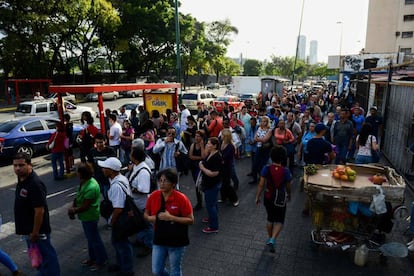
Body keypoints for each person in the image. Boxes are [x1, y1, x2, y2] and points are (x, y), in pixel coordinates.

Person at [13, 152, 61, 275]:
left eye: (21, 165)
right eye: (15, 166)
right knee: (38, 259)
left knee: (47, 259)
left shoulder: (35, 184)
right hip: (28, 231)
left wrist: (35, 232)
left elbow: (39, 211)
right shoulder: (22, 179)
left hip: (37, 232)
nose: (17, 168)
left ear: (30, 165)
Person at [144, 168, 194, 276]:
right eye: (160, 181)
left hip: (176, 241)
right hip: (159, 239)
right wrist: (150, 218)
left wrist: (171, 218)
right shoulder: (154, 196)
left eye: (165, 181)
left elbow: (190, 220)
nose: (162, 184)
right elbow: (146, 213)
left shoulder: (181, 198)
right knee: (156, 271)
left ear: (173, 184)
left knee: (175, 271)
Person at [67, 163, 108, 271]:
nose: (76, 174)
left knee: (94, 239)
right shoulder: (84, 182)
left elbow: (85, 206)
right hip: (85, 217)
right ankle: (93, 258)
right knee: (90, 239)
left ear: (81, 174)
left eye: (77, 172)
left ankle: (101, 260)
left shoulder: (91, 186)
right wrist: (73, 206)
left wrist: (73, 210)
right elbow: (78, 197)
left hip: (90, 216)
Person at [98, 157, 134, 276]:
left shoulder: (116, 186)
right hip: (121, 218)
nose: (103, 170)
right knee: (117, 242)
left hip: (120, 220)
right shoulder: (120, 179)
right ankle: (120, 264)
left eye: (105, 168)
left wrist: (111, 222)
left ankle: (127, 270)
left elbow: (118, 209)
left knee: (122, 244)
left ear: (112, 170)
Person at [255, 146, 292, 253]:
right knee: (280, 220)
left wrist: (257, 196)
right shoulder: (286, 171)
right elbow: (288, 186)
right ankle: (273, 239)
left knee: (270, 218)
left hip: (268, 196)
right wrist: (289, 195)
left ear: (271, 156)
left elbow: (261, 184)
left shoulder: (266, 168)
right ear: (283, 158)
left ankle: (270, 237)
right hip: (280, 198)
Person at [128, 148, 154, 257]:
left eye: (131, 154)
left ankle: (149, 245)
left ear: (135, 158)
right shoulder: (136, 166)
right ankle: (141, 239)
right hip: (137, 203)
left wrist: (130, 188)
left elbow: (144, 189)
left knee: (147, 225)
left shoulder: (143, 171)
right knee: (140, 224)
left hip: (142, 204)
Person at [199, 137, 222, 234]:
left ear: (215, 146)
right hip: (209, 183)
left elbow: (214, 173)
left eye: (209, 144)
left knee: (210, 205)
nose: (207, 145)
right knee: (213, 202)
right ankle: (212, 217)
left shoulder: (216, 157)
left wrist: (202, 168)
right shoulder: (210, 153)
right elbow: (203, 156)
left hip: (212, 184)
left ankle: (214, 226)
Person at [87, 133, 116, 197]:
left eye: (100, 142)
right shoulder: (92, 151)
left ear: (105, 141)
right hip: (97, 179)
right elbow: (90, 164)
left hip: (107, 180)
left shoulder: (110, 151)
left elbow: (113, 165)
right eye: (97, 142)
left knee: (108, 197)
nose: (99, 145)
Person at [249, 116, 273, 185]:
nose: (263, 123)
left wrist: (259, 139)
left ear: (267, 122)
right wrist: (260, 139)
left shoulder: (269, 130)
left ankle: (263, 178)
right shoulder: (259, 128)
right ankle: (255, 178)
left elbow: (265, 139)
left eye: (264, 121)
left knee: (263, 164)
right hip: (258, 147)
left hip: (265, 149)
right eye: (262, 121)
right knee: (255, 163)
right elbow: (255, 138)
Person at [219, 129, 239, 206]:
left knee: (227, 183)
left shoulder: (231, 146)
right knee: (222, 183)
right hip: (221, 166)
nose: (221, 136)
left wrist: (220, 158)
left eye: (222, 135)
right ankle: (224, 197)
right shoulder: (221, 142)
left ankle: (235, 199)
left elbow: (225, 158)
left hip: (227, 167)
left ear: (226, 137)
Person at [189, 130, 206, 210]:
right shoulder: (193, 144)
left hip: (201, 168)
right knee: (196, 185)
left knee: (201, 184)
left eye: (198, 136)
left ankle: (204, 200)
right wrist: (199, 158)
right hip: (194, 167)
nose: (196, 137)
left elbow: (203, 156)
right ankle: (199, 202)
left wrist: (202, 146)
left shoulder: (204, 145)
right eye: (195, 136)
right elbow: (191, 156)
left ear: (202, 137)